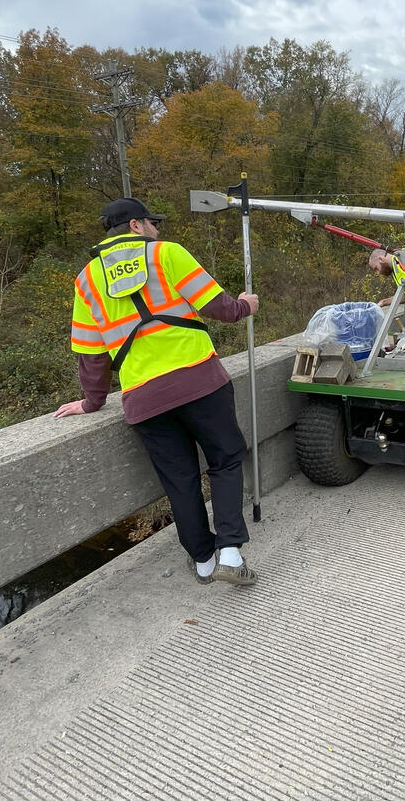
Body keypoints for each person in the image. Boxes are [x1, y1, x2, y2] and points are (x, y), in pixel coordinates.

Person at [54, 197, 261, 586]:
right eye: (152, 222)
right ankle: (231, 553)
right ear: (135, 225)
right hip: (200, 381)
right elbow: (220, 308)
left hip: (144, 399)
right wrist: (245, 306)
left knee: (179, 480)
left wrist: (91, 402)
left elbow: (91, 354)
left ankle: (202, 562)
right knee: (226, 459)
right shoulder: (167, 254)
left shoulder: (85, 280)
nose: (157, 229)